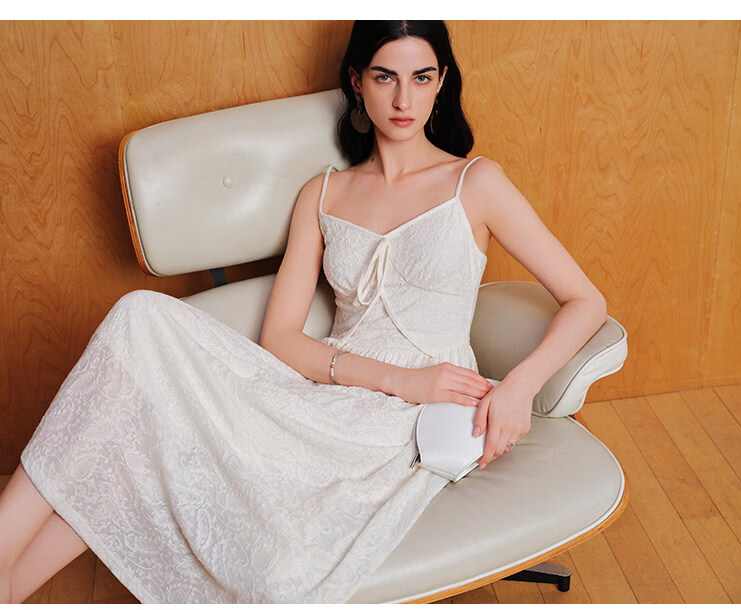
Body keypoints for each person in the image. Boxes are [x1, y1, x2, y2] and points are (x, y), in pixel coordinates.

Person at [0, 20, 607, 604]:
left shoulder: (475, 183)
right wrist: (398, 378)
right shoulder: (324, 193)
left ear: (442, 81)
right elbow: (281, 338)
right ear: (356, 82)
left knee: (152, 441)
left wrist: (519, 387)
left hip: (405, 425)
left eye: (422, 78)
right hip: (326, 394)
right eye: (385, 77)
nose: (404, 99)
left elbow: (586, 301)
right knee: (139, 323)